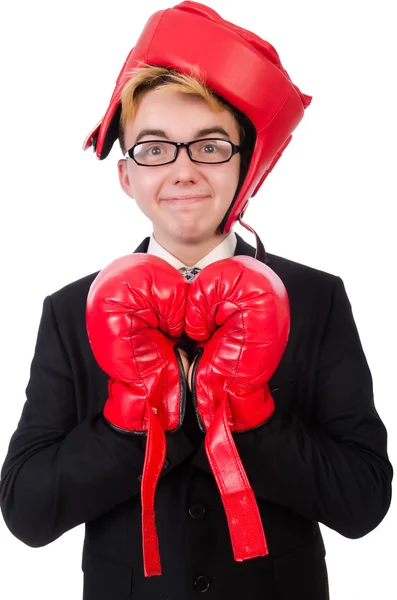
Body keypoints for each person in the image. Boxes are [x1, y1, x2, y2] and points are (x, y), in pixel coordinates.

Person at [0, 2, 393, 599]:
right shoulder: (70, 309)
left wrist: (252, 414)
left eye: (210, 146)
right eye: (154, 149)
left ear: (244, 169)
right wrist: (128, 415)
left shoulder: (316, 299)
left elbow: (363, 502)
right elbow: (27, 513)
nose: (182, 171)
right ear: (126, 175)